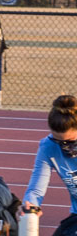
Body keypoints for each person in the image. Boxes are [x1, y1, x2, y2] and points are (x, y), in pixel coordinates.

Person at [22, 96, 77, 224]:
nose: (63, 145)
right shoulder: (48, 147)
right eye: (57, 140)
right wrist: (31, 205)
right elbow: (36, 187)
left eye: (70, 141)